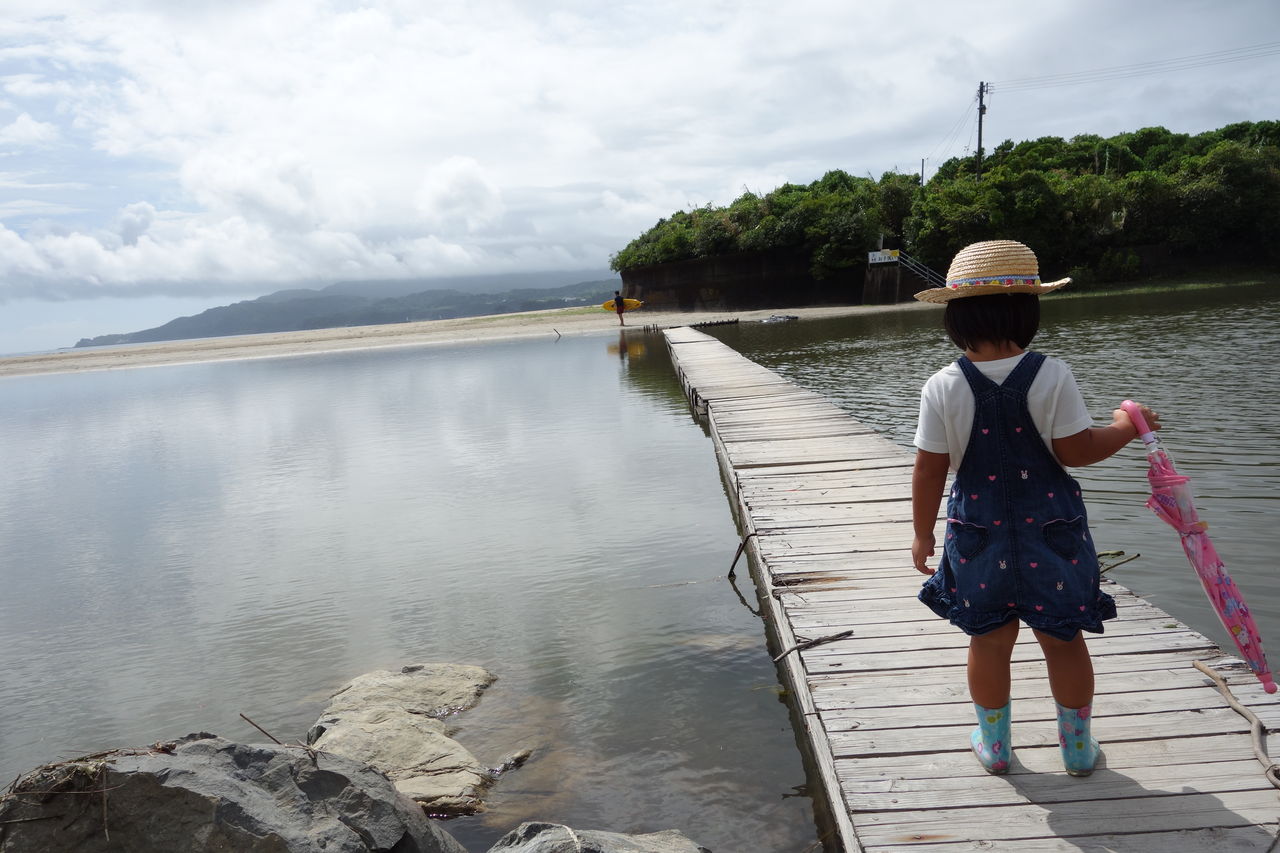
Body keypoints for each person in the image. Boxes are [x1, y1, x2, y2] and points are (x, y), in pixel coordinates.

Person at [909, 239, 1159, 778]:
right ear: (1028, 312)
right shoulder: (1051, 374)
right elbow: (1077, 451)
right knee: (1063, 640)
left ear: (955, 319)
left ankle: (996, 749)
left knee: (989, 641)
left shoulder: (942, 385)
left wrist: (922, 535)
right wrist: (1125, 425)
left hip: (977, 533)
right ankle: (1076, 749)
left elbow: (930, 468)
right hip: (1053, 532)